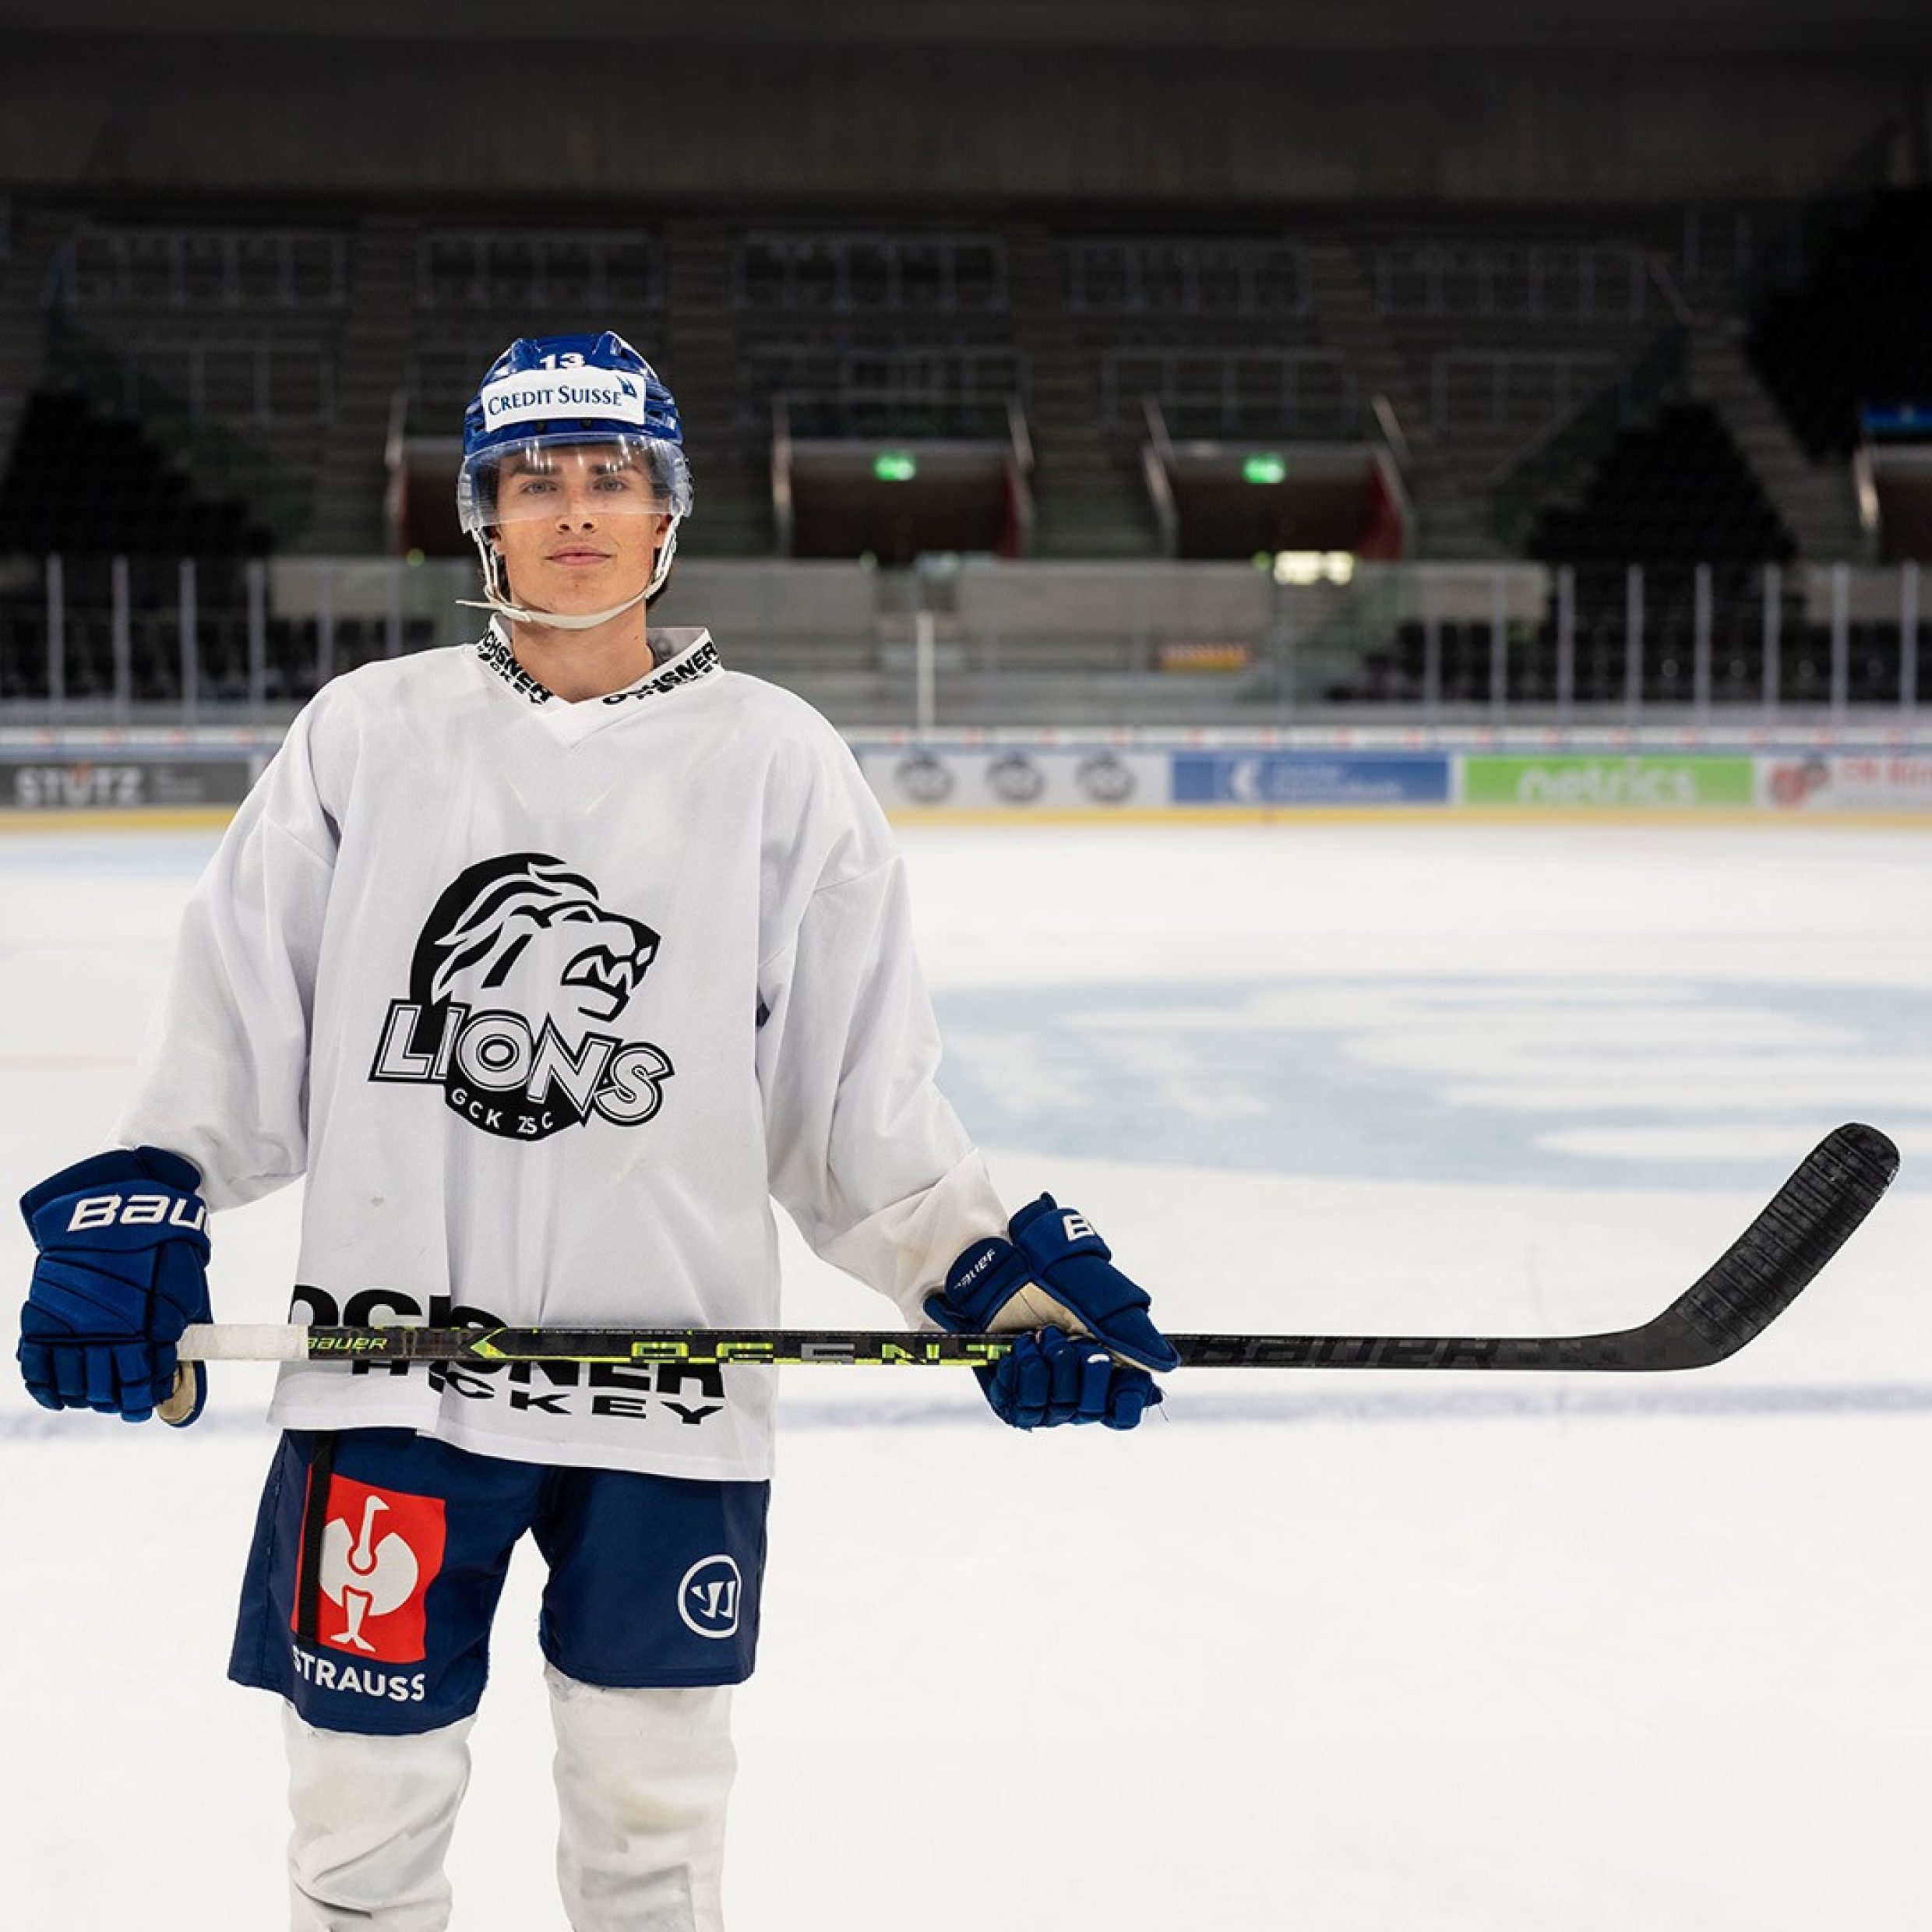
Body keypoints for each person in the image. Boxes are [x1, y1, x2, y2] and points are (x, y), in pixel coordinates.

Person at [13, 331, 1176, 1932]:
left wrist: (981, 1273)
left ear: (664, 515)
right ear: (481, 514)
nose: (573, 510)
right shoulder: (369, 733)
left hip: (670, 1396)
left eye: (610, 477)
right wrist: (138, 1204)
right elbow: (233, 1027)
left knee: (651, 1842)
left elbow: (857, 1113)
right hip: (387, 1381)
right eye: (533, 478)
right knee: (360, 1833)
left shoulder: (776, 761)